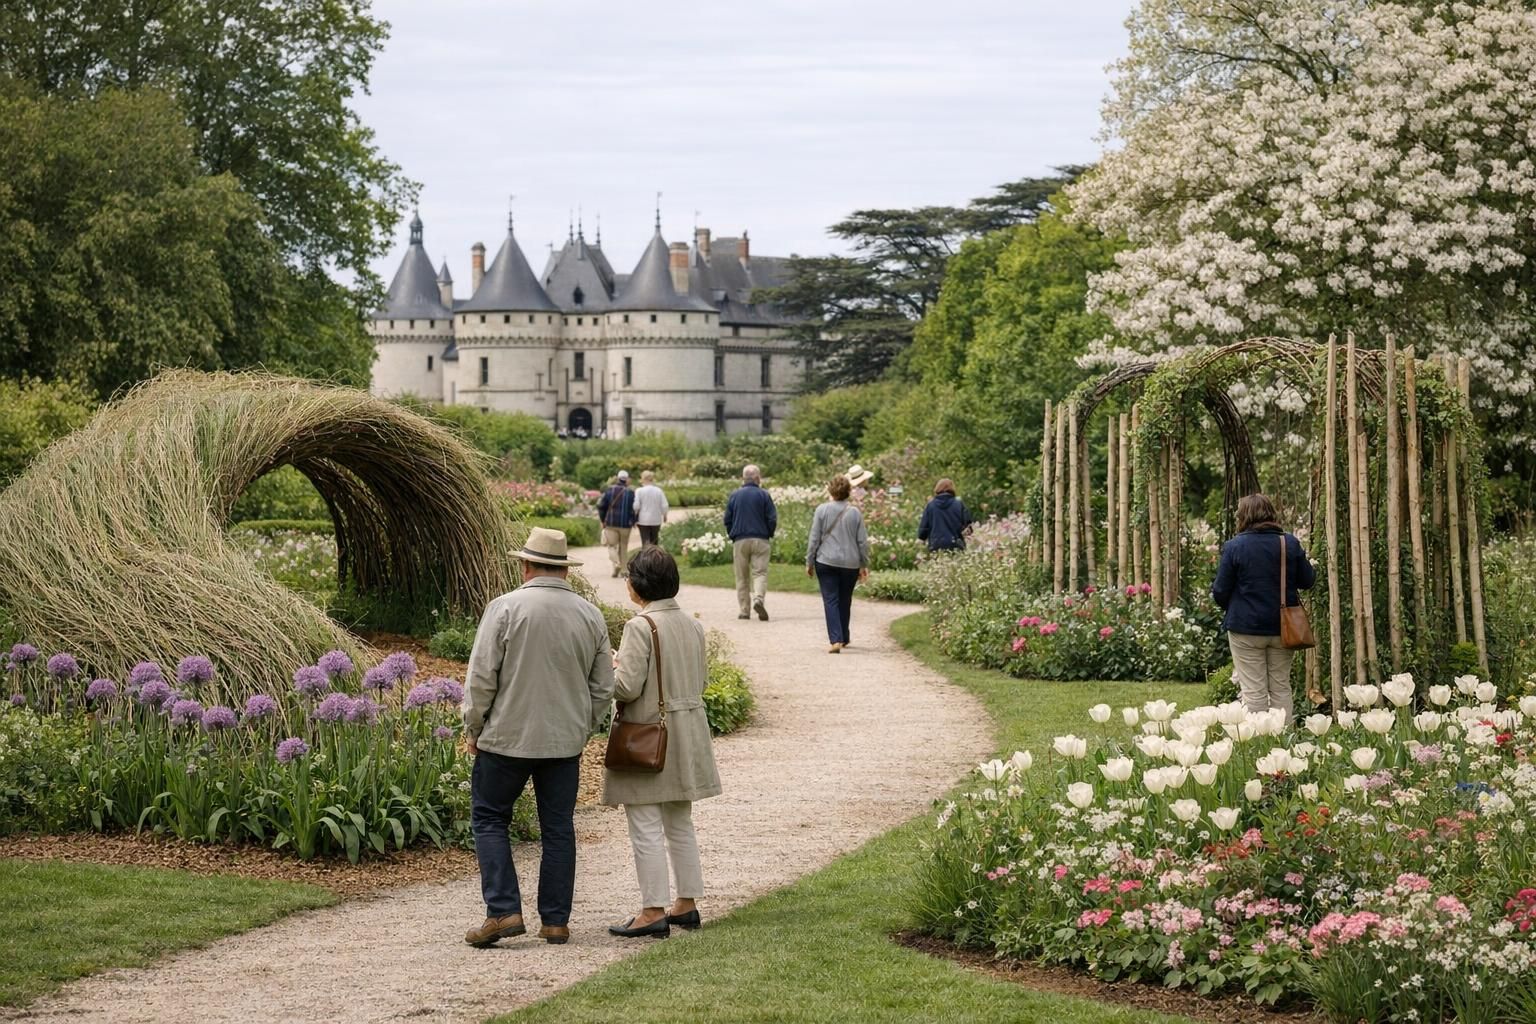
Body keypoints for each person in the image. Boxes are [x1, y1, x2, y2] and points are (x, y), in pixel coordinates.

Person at [461, 527, 615, 948]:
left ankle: (503, 910)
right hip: (563, 742)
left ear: (526, 565)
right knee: (559, 827)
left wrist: (474, 727)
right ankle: (556, 921)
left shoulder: (505, 608)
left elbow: (481, 679)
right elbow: (603, 687)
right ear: (564, 568)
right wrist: (581, 725)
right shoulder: (590, 615)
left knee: (490, 818)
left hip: (506, 737)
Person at [602, 546, 722, 939]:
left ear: (638, 584)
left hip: (650, 733)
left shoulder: (641, 626)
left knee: (645, 824)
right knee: (679, 822)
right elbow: (700, 682)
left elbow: (626, 687)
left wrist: (609, 666)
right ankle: (686, 903)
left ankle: (652, 909)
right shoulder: (692, 625)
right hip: (687, 731)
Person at [1211, 493, 1316, 725]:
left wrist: (1235, 607)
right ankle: (1284, 741)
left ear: (1243, 516)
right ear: (1270, 513)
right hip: (1283, 628)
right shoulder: (1288, 543)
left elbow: (1220, 590)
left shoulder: (1234, 546)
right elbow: (1307, 581)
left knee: (1253, 691)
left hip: (1245, 628)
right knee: (1280, 687)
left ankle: (1261, 745)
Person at [805, 474, 870, 654]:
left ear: (831, 490)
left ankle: (836, 639)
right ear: (848, 491)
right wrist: (864, 564)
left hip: (825, 560)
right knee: (845, 599)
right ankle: (844, 636)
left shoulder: (822, 510)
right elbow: (862, 542)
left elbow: (814, 539)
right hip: (850, 563)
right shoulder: (855, 512)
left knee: (831, 599)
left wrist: (809, 561)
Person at [723, 464, 777, 621]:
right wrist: (769, 533)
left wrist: (732, 535)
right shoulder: (764, 495)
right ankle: (758, 598)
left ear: (743, 478)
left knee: (741, 576)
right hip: (761, 538)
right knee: (759, 572)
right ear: (757, 478)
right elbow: (772, 518)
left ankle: (744, 610)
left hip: (740, 539)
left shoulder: (735, 495)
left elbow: (727, 519)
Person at [597, 470, 637, 577]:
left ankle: (616, 564)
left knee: (611, 546)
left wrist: (602, 520)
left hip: (611, 523)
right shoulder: (631, 493)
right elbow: (634, 509)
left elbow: (601, 506)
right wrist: (633, 521)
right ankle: (624, 571)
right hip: (625, 525)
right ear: (627, 479)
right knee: (623, 547)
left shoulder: (609, 490)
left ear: (617, 478)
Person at [918, 478, 974, 552]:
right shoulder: (959, 504)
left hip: (936, 547)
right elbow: (968, 528)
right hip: (956, 546)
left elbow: (922, 533)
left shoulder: (930, 506)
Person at [633, 470, 670, 548]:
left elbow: (636, 506)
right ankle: (654, 558)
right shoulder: (658, 491)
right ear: (652, 479)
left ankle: (646, 558)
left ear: (643, 479)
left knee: (645, 541)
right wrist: (665, 515)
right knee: (654, 542)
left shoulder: (639, 491)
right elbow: (664, 505)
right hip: (655, 520)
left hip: (643, 520)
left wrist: (634, 517)